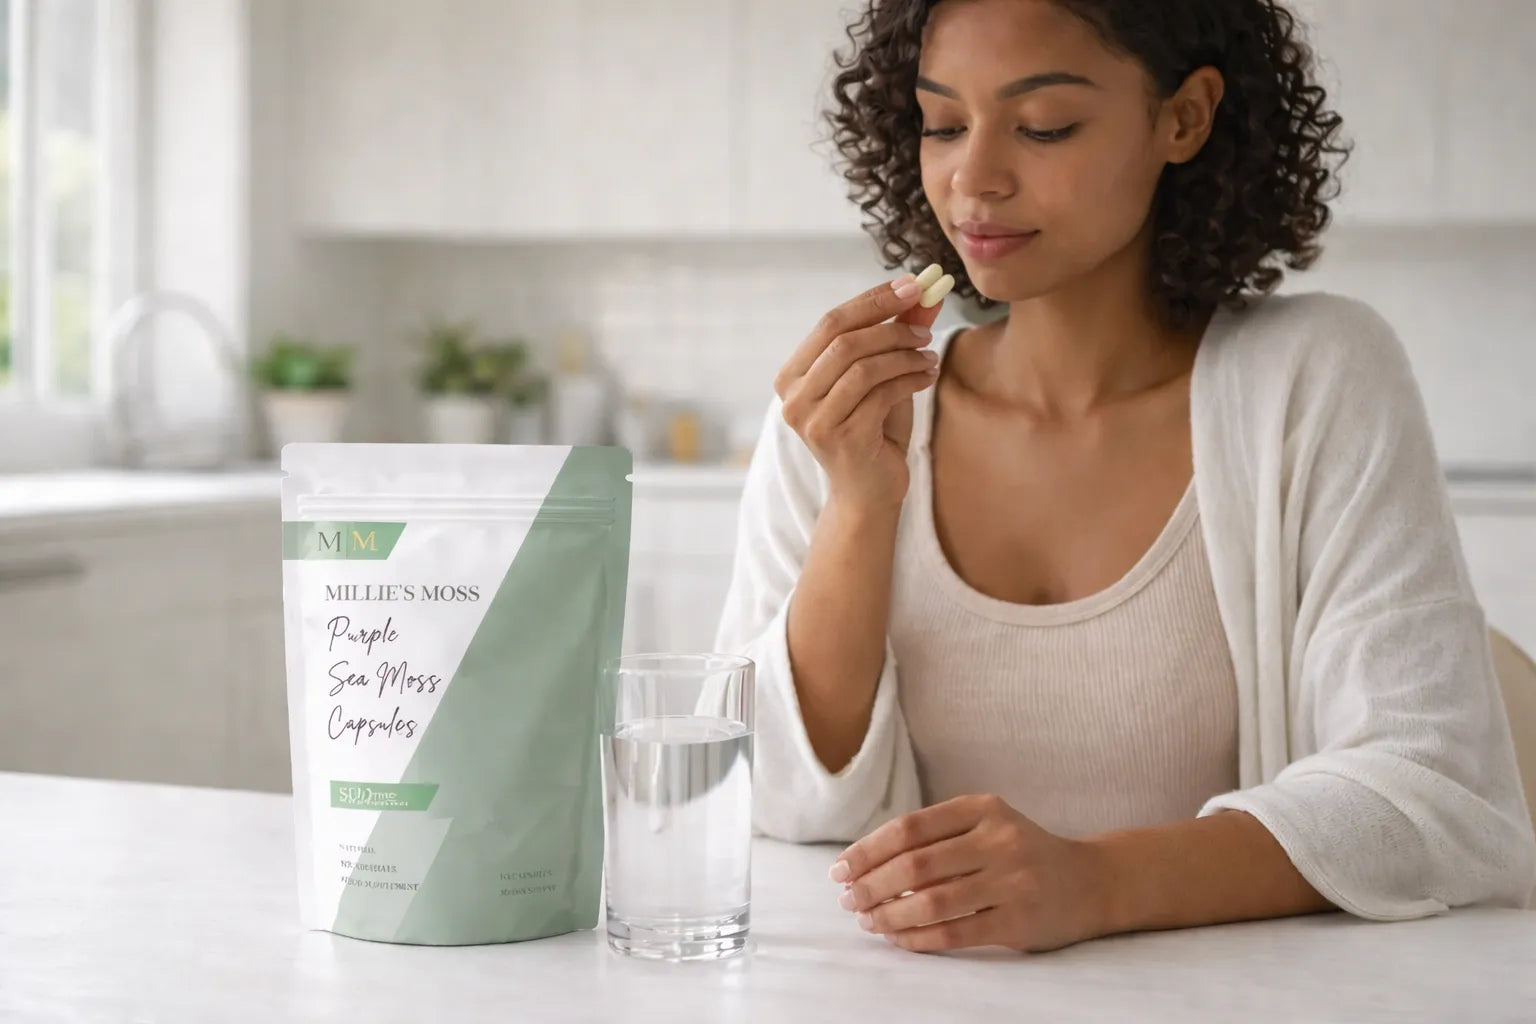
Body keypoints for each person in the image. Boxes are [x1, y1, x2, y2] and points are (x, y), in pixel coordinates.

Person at [715, 0, 1536, 954]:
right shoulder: (849, 421)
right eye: (941, 123)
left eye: (1043, 126)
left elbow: (1435, 792)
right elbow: (762, 799)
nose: (972, 178)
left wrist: (1095, 881)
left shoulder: (1317, 376)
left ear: (1182, 118)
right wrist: (861, 505)